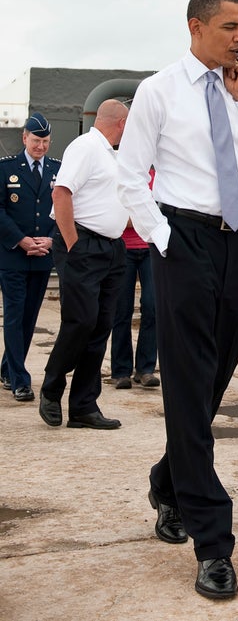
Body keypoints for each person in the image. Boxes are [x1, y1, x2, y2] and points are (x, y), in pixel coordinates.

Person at [116, 0, 238, 602]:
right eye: (230, 27)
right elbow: (131, 175)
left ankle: (169, 480)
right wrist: (162, 238)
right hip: (182, 237)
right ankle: (212, 540)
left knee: (214, 372)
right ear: (195, 27)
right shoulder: (159, 92)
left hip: (235, 239)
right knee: (187, 378)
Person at [38, 99, 129, 431]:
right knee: (81, 321)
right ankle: (51, 389)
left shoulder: (114, 155)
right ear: (120, 123)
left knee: (101, 326)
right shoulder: (86, 147)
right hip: (84, 245)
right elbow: (61, 194)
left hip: (112, 249)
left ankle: (83, 406)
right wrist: (74, 246)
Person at [0, 113, 61, 402]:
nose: (41, 146)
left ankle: (6, 368)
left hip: (42, 254)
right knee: (14, 317)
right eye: (36, 140)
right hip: (13, 255)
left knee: (28, 317)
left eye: (46, 141)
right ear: (24, 138)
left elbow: (62, 207)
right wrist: (21, 240)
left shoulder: (57, 170)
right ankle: (19, 380)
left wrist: (50, 239)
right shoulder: (6, 169)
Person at [110, 193, 159, 389]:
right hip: (123, 247)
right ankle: (120, 371)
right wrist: (145, 216)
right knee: (121, 310)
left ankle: (145, 369)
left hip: (151, 248)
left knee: (152, 306)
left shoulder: (156, 177)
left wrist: (135, 216)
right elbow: (118, 219)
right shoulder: (120, 176)